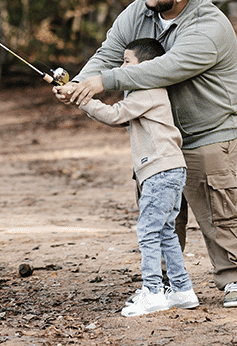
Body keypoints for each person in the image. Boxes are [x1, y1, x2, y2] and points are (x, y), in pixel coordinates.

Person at [54, 0, 237, 307]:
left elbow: (164, 69)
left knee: (217, 209)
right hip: (157, 134)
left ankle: (236, 278)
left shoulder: (209, 27)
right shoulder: (141, 10)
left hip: (207, 130)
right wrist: (81, 83)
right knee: (158, 208)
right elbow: (109, 52)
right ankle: (165, 281)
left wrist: (105, 82)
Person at [75, 38, 198, 316]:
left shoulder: (149, 90)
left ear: (147, 66)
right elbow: (117, 116)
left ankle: (153, 292)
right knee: (165, 231)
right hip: (169, 170)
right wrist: (83, 100)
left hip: (160, 171)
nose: (121, 68)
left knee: (148, 231)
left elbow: (114, 115)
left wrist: (82, 98)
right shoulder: (146, 93)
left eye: (127, 62)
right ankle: (182, 290)